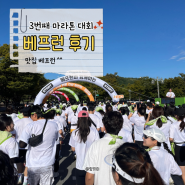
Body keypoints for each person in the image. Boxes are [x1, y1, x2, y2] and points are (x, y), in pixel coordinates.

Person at [19, 105, 58, 185]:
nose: (30, 118)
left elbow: (22, 145)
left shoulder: (30, 126)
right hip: (48, 163)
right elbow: (55, 139)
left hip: (33, 164)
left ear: (35, 115)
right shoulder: (54, 125)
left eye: (30, 116)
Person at [83, 111, 124, 185]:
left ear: (104, 126)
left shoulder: (95, 145)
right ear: (121, 127)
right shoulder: (126, 146)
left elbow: (90, 176)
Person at [69, 110, 99, 185]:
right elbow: (97, 148)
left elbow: (73, 149)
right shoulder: (94, 131)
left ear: (78, 120)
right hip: (92, 166)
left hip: (80, 166)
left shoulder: (75, 132)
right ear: (88, 119)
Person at [14, 107, 33, 185]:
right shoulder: (32, 122)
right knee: (27, 163)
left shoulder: (17, 122)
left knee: (19, 163)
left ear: (22, 113)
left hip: (19, 146)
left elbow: (13, 134)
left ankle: (19, 178)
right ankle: (25, 180)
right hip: (29, 146)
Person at [170, 108, 185, 184]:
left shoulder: (173, 125)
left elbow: (171, 139)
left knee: (182, 171)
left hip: (179, 148)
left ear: (177, 116)